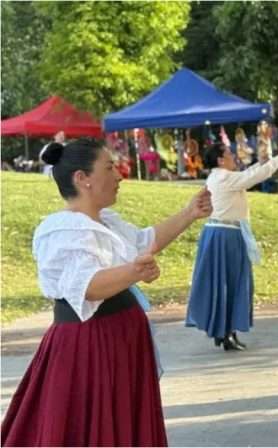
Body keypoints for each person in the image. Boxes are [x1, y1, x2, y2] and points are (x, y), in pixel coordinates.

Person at [1, 139, 212, 446]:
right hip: (91, 343)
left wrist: (189, 213)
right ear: (82, 178)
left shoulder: (104, 223)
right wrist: (134, 272)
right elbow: (86, 287)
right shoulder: (63, 230)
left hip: (120, 337)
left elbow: (144, 242)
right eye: (109, 168)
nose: (119, 176)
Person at [185, 141, 278, 351]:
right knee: (232, 283)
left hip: (221, 233)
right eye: (229, 154)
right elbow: (252, 177)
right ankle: (227, 332)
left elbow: (246, 176)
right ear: (220, 160)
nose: (233, 156)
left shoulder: (220, 177)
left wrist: (261, 162)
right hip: (227, 236)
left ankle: (224, 330)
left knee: (223, 283)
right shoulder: (224, 177)